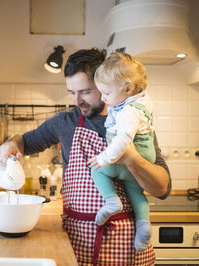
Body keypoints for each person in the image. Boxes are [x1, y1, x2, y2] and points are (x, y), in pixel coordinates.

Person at [0, 48, 171, 265]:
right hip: (77, 245)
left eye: (85, 91)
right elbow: (24, 142)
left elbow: (162, 189)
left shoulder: (136, 123)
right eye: (71, 92)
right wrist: (11, 143)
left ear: (103, 83)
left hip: (126, 248)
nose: (77, 101)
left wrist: (131, 158)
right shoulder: (65, 122)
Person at [87, 52, 154, 252]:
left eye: (106, 92)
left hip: (128, 157)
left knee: (97, 170)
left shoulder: (129, 112)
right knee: (135, 191)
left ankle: (112, 201)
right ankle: (143, 225)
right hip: (145, 154)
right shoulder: (141, 102)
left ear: (127, 88)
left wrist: (104, 158)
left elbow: (124, 139)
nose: (103, 97)